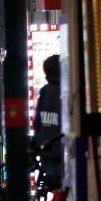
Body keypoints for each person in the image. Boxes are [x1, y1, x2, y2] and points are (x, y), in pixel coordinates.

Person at [33, 54, 63, 188]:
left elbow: (37, 120)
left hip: (44, 145)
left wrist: (36, 140)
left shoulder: (44, 91)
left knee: (48, 181)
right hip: (59, 146)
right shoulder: (63, 91)